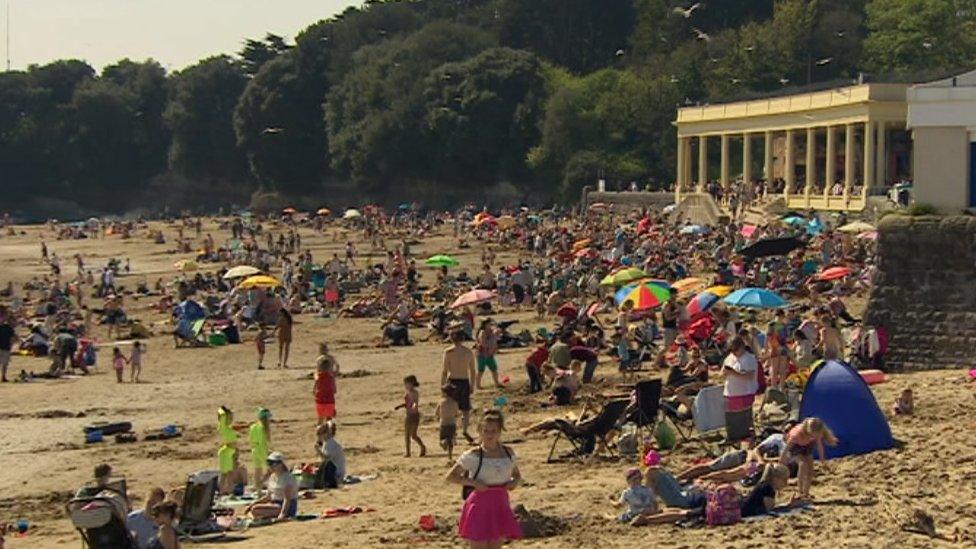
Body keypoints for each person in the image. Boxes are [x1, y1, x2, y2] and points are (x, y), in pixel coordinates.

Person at [446, 410, 523, 547]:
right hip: (479, 504)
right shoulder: (473, 455)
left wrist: (514, 482)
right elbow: (451, 476)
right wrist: (473, 483)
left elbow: (517, 475)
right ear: (480, 431)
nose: (489, 435)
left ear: (499, 432)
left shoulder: (508, 453)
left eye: (493, 431)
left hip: (500, 503)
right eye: (486, 431)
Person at [781, 417, 838, 501]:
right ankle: (800, 492)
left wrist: (822, 460)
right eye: (812, 435)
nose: (814, 437)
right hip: (796, 447)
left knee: (810, 470)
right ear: (808, 431)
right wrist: (781, 461)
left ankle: (806, 493)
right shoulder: (796, 434)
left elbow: (820, 446)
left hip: (807, 446)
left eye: (815, 436)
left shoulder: (816, 432)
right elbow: (786, 448)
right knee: (802, 464)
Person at [441, 330, 477, 444]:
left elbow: (444, 371)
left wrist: (442, 386)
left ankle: (454, 434)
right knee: (465, 410)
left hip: (452, 382)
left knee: (452, 409)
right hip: (464, 381)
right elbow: (472, 371)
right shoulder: (468, 352)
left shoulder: (448, 352)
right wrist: (472, 385)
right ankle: (465, 430)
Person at [248, 452, 298, 521]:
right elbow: (268, 496)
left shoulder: (287, 477)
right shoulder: (272, 477)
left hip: (286, 506)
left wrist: (282, 514)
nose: (270, 466)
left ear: (280, 464)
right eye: (269, 464)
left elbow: (287, 499)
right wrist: (254, 502)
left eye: (272, 464)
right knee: (253, 508)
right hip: (274, 504)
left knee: (255, 509)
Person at [721, 337, 758, 412]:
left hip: (744, 395)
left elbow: (750, 376)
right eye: (731, 350)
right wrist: (724, 372)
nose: (733, 352)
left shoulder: (749, 358)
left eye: (735, 349)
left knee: (743, 419)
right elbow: (721, 373)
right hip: (730, 394)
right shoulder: (729, 357)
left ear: (742, 347)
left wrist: (734, 373)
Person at [395, 375, 426, 457]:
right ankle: (408, 452)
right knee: (407, 435)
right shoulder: (407, 393)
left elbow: (414, 402)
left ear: (412, 384)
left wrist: (413, 406)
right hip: (408, 414)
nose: (405, 386)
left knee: (413, 435)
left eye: (407, 384)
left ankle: (422, 447)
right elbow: (408, 403)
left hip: (414, 415)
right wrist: (401, 406)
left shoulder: (414, 393)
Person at [315, 422, 346, 489]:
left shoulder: (331, 443)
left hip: (336, 473)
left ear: (325, 434)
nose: (319, 437)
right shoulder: (326, 443)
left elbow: (327, 459)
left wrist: (318, 451)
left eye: (320, 435)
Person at [249, 408, 272, 490]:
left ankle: (257, 486)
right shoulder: (264, 428)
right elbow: (265, 441)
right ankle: (260, 483)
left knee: (257, 469)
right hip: (262, 450)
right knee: (271, 469)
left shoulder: (253, 427)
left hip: (254, 449)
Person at [475, 318, 501, 389]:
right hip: (482, 354)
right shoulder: (482, 332)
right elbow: (483, 343)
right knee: (481, 370)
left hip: (489, 354)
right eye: (490, 324)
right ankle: (478, 385)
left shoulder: (491, 332)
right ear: (486, 325)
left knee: (494, 369)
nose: (491, 326)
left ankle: (497, 383)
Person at [436, 383, 459, 461]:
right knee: (450, 443)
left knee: (442, 439)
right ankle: (450, 456)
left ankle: (445, 442)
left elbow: (437, 412)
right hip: (452, 423)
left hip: (444, 423)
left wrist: (438, 417)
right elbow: (456, 413)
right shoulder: (455, 403)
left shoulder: (441, 402)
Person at [314, 355, 337, 425]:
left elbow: (315, 385)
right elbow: (334, 390)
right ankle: (329, 432)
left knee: (320, 418)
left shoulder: (318, 376)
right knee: (329, 418)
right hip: (330, 401)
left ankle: (319, 431)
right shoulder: (331, 377)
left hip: (320, 400)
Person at [0, 315, 15, 383]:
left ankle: (3, 377)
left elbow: (12, 337)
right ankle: (3, 377)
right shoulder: (8, 327)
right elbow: (12, 338)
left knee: (5, 363)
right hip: (5, 347)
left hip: (6, 347)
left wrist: (11, 345)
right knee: (4, 363)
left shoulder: (8, 327)